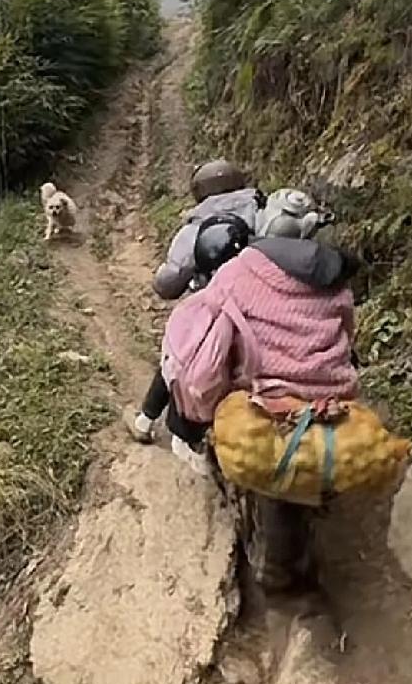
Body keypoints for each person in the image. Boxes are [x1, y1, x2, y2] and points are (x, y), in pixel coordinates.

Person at [160, 229, 359, 477]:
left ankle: (198, 450)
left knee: (195, 362)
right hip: (335, 391)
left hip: (267, 394)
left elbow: (208, 338)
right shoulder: (339, 287)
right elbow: (348, 333)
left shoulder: (237, 272)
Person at [130, 212, 253, 472]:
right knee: (196, 373)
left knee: (174, 364)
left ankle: (148, 421)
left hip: (192, 371)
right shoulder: (249, 286)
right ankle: (178, 437)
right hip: (225, 378)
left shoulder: (203, 295)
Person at [153, 159, 264, 301]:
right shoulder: (264, 212)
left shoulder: (194, 229)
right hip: (266, 299)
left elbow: (168, 283)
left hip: (217, 304)